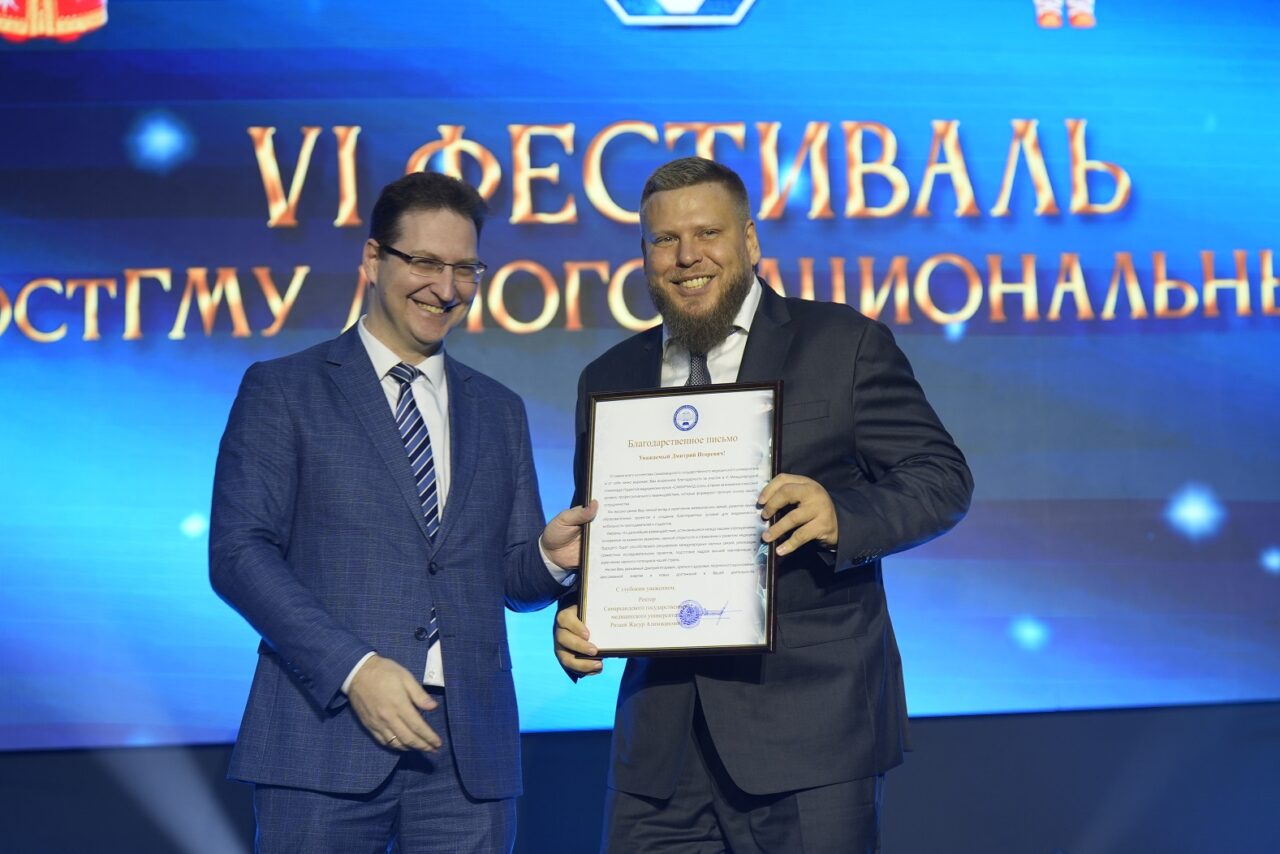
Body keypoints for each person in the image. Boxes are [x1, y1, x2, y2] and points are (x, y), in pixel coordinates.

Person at [554, 157, 973, 853]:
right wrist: (576, 610)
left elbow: (942, 478)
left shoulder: (843, 344)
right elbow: (602, 533)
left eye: (708, 233)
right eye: (665, 240)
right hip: (659, 751)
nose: (687, 256)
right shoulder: (610, 376)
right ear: (645, 254)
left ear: (749, 239)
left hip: (811, 735)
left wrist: (843, 516)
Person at [210, 171, 594, 853]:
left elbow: (509, 580)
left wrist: (546, 558)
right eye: (424, 262)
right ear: (372, 259)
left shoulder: (497, 409)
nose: (445, 288)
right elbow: (239, 555)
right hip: (324, 733)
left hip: (468, 753)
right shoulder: (284, 389)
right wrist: (355, 669)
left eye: (464, 269)